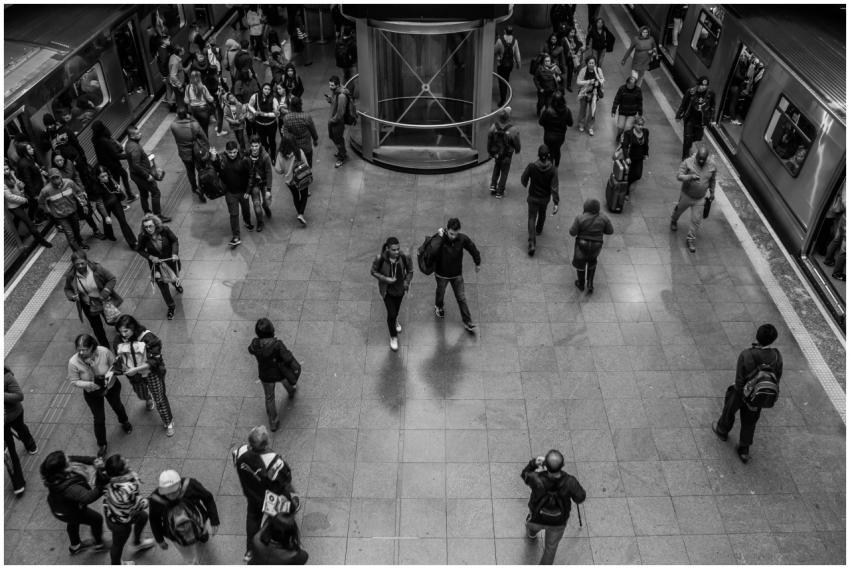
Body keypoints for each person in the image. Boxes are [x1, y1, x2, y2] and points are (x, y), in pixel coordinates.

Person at [712, 324, 783, 464]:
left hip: (741, 394)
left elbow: (739, 380)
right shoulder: (776, 356)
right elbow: (777, 377)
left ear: (757, 336)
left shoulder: (747, 354)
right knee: (750, 421)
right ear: (773, 340)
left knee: (729, 410)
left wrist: (742, 394)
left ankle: (722, 430)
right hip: (757, 396)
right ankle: (744, 449)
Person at [232, 425, 297, 562]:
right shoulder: (272, 460)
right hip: (270, 497)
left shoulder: (240, 452)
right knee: (283, 513)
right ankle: (280, 540)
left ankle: (250, 550)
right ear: (266, 443)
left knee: (253, 518)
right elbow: (285, 479)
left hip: (251, 493)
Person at [67, 334, 133, 458]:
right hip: (92, 392)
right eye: (78, 349)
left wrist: (110, 373)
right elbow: (74, 381)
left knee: (117, 405)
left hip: (111, 386)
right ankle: (102, 444)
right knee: (99, 418)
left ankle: (124, 421)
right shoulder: (73, 362)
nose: (81, 352)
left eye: (84, 349)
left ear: (92, 346)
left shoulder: (104, 352)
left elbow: (115, 365)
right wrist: (91, 384)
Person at [112, 314, 174, 437]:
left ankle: (168, 422)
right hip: (134, 376)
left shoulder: (147, 337)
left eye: (126, 330)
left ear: (133, 327)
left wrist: (136, 369)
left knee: (159, 398)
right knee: (141, 393)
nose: (123, 334)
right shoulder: (118, 340)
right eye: (121, 331)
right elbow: (119, 357)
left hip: (151, 373)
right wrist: (123, 367)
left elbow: (155, 359)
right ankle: (147, 398)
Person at [521, 450, 586, 565]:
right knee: (550, 549)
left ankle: (532, 533)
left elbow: (525, 475)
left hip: (537, 517)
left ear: (545, 464)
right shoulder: (570, 481)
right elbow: (580, 498)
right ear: (562, 465)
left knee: (532, 525)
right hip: (558, 522)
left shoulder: (536, 478)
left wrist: (534, 463)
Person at [40, 450, 110, 555]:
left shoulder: (53, 473)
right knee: (96, 519)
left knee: (73, 522)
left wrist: (93, 460)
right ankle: (98, 544)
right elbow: (87, 497)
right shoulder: (69, 489)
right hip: (70, 510)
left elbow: (75, 458)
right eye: (67, 459)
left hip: (61, 508)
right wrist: (101, 487)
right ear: (63, 469)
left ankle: (75, 545)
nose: (69, 458)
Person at [149, 469, 220, 564]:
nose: (171, 495)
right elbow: (154, 519)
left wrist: (214, 519)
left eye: (174, 491)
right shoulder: (155, 500)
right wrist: (159, 539)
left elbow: (208, 498)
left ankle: (202, 535)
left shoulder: (191, 485)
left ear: (180, 484)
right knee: (190, 559)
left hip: (199, 522)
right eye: (167, 492)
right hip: (175, 534)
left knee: (202, 532)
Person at [102, 454, 156, 565]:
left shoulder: (108, 476)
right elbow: (140, 505)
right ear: (121, 472)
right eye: (125, 462)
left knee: (142, 517)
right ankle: (116, 564)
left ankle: (137, 543)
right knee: (117, 545)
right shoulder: (127, 488)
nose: (128, 459)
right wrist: (153, 497)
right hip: (120, 523)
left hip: (112, 512)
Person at [248, 318, 300, 430]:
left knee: (269, 397)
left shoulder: (255, 344)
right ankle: (291, 390)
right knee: (285, 380)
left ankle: (273, 421)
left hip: (265, 375)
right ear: (272, 330)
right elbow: (287, 357)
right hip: (279, 371)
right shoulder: (277, 345)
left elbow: (250, 350)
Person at [64, 251, 122, 347]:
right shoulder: (71, 276)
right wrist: (72, 297)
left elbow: (112, 279)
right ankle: (105, 347)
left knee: (111, 320)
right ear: (73, 264)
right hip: (88, 306)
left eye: (82, 263)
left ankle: (122, 331)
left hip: (102, 301)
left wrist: (105, 293)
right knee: (97, 328)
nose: (80, 266)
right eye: (77, 264)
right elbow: (67, 289)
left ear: (87, 261)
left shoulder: (97, 269)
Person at [433, 218, 482, 331]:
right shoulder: (440, 238)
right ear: (447, 229)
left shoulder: (462, 239)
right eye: (451, 233)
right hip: (441, 274)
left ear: (459, 231)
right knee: (441, 292)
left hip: (456, 274)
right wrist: (439, 237)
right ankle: (439, 306)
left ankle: (467, 321)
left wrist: (477, 262)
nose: (453, 236)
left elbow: (472, 248)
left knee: (461, 298)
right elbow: (432, 249)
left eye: (455, 234)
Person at [371, 237, 414, 351]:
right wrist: (386, 279)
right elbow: (373, 271)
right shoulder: (380, 258)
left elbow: (410, 271)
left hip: (400, 290)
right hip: (387, 291)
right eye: (393, 250)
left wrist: (406, 282)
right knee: (391, 314)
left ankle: (395, 320)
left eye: (398, 249)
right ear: (388, 249)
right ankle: (393, 337)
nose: (396, 252)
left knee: (396, 310)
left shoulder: (404, 256)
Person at [671, 145, 717, 252]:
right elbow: (679, 176)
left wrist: (712, 192)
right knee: (679, 211)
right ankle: (674, 220)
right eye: (699, 158)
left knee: (696, 220)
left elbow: (713, 180)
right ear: (696, 156)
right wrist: (690, 177)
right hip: (686, 194)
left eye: (703, 159)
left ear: (707, 158)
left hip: (700, 198)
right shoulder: (688, 162)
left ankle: (690, 239)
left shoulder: (712, 165)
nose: (701, 161)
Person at [136, 214, 182, 320]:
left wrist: (175, 253)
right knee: (163, 287)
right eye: (146, 227)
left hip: (170, 261)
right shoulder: (142, 236)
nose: (148, 229)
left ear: (155, 225)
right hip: (156, 266)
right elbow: (140, 250)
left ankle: (176, 284)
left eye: (150, 226)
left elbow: (174, 241)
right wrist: (151, 257)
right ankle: (171, 306)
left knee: (173, 276)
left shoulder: (165, 230)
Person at [51, 153, 104, 240]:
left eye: (61, 160)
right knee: (73, 218)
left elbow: (76, 175)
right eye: (57, 161)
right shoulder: (54, 171)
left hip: (77, 191)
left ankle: (96, 230)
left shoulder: (69, 163)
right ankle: (77, 238)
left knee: (87, 211)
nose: (60, 162)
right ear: (54, 162)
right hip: (66, 197)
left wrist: (82, 190)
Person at [210, 143, 253, 247]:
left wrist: (248, 191)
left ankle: (247, 222)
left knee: (246, 209)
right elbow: (215, 167)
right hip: (230, 192)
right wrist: (213, 158)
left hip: (243, 192)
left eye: (234, 152)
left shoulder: (244, 160)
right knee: (233, 214)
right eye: (230, 153)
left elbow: (251, 174)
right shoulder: (222, 160)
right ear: (226, 151)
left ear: (237, 150)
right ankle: (236, 236)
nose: (232, 155)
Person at [126, 125, 171, 221]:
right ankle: (158, 216)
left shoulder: (129, 144)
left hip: (135, 175)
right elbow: (136, 165)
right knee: (155, 192)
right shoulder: (135, 148)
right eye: (137, 134)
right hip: (141, 175)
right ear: (131, 136)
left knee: (143, 193)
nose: (140, 134)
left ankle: (147, 212)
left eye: (139, 132)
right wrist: (147, 176)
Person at [521, 145, 560, 257]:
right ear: (548, 156)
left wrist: (525, 183)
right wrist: (556, 202)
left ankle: (532, 242)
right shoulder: (553, 170)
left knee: (531, 217)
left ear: (538, 154)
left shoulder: (532, 166)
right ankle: (539, 229)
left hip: (533, 197)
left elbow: (523, 179)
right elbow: (554, 187)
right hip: (544, 198)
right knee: (542, 213)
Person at [569, 198, 614, 294]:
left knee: (580, 264)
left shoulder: (580, 218)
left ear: (586, 207)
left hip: (582, 244)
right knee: (592, 261)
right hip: (597, 245)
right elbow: (610, 231)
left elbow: (572, 232)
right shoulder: (604, 218)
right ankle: (590, 284)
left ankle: (581, 284)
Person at [5, 367, 38, 496]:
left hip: (14, 415)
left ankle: (29, 443)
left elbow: (19, 396)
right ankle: (18, 482)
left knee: (21, 429)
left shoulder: (6, 376)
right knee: (9, 452)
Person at [38, 168, 88, 251]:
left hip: (73, 212)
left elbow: (78, 191)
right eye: (53, 178)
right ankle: (77, 252)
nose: (55, 180)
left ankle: (80, 242)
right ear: (50, 179)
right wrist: (49, 211)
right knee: (69, 234)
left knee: (76, 229)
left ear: (60, 176)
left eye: (57, 177)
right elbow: (41, 202)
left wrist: (84, 204)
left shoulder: (69, 182)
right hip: (60, 216)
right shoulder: (46, 191)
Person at [5, 160, 52, 247]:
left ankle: (18, 237)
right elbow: (9, 197)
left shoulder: (11, 174)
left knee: (17, 220)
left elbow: (18, 183)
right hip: (14, 206)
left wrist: (20, 184)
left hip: (20, 201)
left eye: (7, 168)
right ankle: (42, 241)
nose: (6, 171)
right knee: (28, 222)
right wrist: (23, 199)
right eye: (4, 170)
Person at [90, 166, 138, 248]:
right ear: (98, 177)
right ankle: (109, 234)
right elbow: (100, 203)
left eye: (106, 175)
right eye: (102, 177)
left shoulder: (110, 179)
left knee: (123, 221)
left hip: (115, 202)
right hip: (104, 206)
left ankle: (132, 242)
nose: (105, 178)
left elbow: (115, 188)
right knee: (107, 221)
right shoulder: (95, 186)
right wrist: (106, 216)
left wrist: (118, 188)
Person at [170, 108, 209, 202]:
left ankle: (194, 187)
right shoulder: (194, 125)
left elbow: (176, 120)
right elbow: (204, 137)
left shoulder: (173, 126)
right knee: (201, 170)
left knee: (190, 171)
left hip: (184, 153)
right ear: (187, 114)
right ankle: (201, 188)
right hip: (196, 151)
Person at [91, 121, 136, 202]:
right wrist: (129, 155)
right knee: (118, 180)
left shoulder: (95, 140)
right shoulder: (104, 141)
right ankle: (123, 198)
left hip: (107, 165)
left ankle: (125, 197)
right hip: (113, 165)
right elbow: (116, 155)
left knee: (119, 178)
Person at [675, 75, 716, 159]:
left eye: (705, 85)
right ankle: (685, 158)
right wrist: (678, 115)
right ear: (698, 84)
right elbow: (684, 104)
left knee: (698, 137)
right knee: (687, 138)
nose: (703, 87)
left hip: (701, 120)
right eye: (702, 85)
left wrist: (712, 119)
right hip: (690, 118)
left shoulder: (711, 94)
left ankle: (689, 144)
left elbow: (712, 106)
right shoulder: (690, 92)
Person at [274, 134, 311, 226]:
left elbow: (278, 170)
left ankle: (299, 213)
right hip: (300, 178)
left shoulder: (280, 154)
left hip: (289, 181)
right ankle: (301, 214)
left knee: (295, 196)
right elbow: (306, 164)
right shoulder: (299, 151)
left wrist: (284, 170)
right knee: (304, 194)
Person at [487, 108, 521, 198]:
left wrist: (490, 152)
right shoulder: (513, 130)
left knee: (496, 168)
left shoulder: (493, 127)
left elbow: (489, 140)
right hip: (507, 155)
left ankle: (493, 186)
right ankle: (500, 191)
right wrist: (517, 150)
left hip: (497, 154)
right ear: (508, 118)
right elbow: (516, 142)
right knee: (504, 173)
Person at [14, 141, 48, 223]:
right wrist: (33, 194)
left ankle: (38, 218)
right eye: (29, 149)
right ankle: (33, 219)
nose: (32, 149)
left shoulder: (29, 158)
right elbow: (27, 180)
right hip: (35, 189)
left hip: (38, 186)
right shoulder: (24, 163)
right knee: (37, 204)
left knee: (36, 204)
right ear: (24, 151)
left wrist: (40, 171)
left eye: (31, 147)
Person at [281, 97, 319, 168]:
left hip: (293, 146)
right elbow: (312, 130)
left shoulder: (286, 118)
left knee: (295, 164)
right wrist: (315, 139)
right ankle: (308, 175)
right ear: (300, 105)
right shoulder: (306, 117)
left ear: (291, 105)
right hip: (306, 146)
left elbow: (286, 134)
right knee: (308, 163)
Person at [246, 135, 274, 231]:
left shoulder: (265, 157)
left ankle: (266, 208)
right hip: (254, 184)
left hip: (264, 182)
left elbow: (269, 173)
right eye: (252, 146)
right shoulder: (247, 155)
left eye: (256, 146)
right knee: (256, 205)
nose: (254, 148)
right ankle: (260, 222)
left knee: (266, 202)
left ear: (260, 145)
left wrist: (269, 190)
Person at [538, 91, 572, 167]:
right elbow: (570, 123)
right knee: (557, 150)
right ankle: (556, 165)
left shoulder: (547, 111)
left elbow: (540, 122)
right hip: (560, 137)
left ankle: (549, 166)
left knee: (549, 150)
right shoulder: (567, 111)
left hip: (548, 136)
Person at [618, 117, 649, 200]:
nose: (640, 127)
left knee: (638, 175)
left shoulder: (646, 132)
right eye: (639, 125)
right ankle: (626, 191)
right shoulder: (628, 133)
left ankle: (628, 184)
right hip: (630, 158)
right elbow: (624, 146)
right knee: (630, 174)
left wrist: (646, 153)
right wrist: (627, 157)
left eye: (642, 125)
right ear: (634, 125)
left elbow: (646, 144)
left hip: (639, 158)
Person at [248, 83, 280, 157]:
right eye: (265, 89)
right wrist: (254, 112)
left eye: (269, 89)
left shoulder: (274, 99)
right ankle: (266, 153)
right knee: (263, 141)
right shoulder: (255, 96)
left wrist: (264, 114)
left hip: (271, 125)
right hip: (259, 124)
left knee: (272, 141)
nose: (267, 91)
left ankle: (272, 156)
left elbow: (276, 114)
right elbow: (250, 105)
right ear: (262, 89)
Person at [576, 57, 605, 136]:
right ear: (587, 63)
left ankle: (590, 127)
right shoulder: (583, 70)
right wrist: (588, 81)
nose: (591, 64)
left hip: (594, 94)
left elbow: (602, 79)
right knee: (583, 109)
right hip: (584, 93)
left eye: (593, 63)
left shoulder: (598, 70)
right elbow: (578, 81)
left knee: (593, 111)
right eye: (590, 63)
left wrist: (598, 82)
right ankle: (581, 124)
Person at [327, 75, 351, 168]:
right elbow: (334, 103)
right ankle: (342, 152)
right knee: (333, 137)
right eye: (329, 85)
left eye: (332, 85)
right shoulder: (335, 92)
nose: (330, 87)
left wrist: (332, 121)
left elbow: (340, 113)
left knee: (338, 139)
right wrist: (330, 100)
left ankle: (341, 157)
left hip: (337, 122)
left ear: (337, 85)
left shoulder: (341, 96)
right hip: (333, 120)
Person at [494, 25, 521, 107]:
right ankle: (505, 95)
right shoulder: (515, 41)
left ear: (505, 31)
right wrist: (518, 64)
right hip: (510, 65)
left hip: (501, 64)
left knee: (501, 81)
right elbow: (517, 53)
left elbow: (494, 51)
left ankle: (503, 100)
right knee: (506, 79)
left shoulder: (499, 40)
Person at [611, 75, 644, 143]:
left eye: (633, 85)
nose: (631, 86)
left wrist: (640, 113)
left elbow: (640, 102)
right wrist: (613, 110)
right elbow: (617, 100)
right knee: (620, 127)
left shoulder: (638, 90)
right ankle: (619, 134)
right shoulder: (622, 89)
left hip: (632, 113)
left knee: (627, 128)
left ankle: (624, 139)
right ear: (627, 83)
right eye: (630, 84)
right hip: (622, 112)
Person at [184, 70, 216, 139]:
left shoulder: (188, 87)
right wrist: (213, 98)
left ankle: (198, 145)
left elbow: (186, 101)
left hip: (193, 111)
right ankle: (206, 145)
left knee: (195, 129)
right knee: (204, 130)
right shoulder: (203, 87)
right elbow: (210, 99)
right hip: (204, 110)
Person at [335, 26, 358, 90]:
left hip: (342, 63)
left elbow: (336, 52)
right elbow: (354, 55)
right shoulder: (352, 42)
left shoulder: (339, 41)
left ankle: (343, 89)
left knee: (345, 76)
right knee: (352, 77)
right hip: (350, 63)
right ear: (350, 33)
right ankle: (349, 92)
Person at [562, 27, 583, 92]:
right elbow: (563, 49)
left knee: (576, 68)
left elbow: (580, 44)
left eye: (574, 32)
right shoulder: (564, 39)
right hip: (569, 58)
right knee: (570, 72)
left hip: (575, 57)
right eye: (571, 32)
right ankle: (568, 85)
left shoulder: (575, 38)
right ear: (568, 32)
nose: (573, 34)